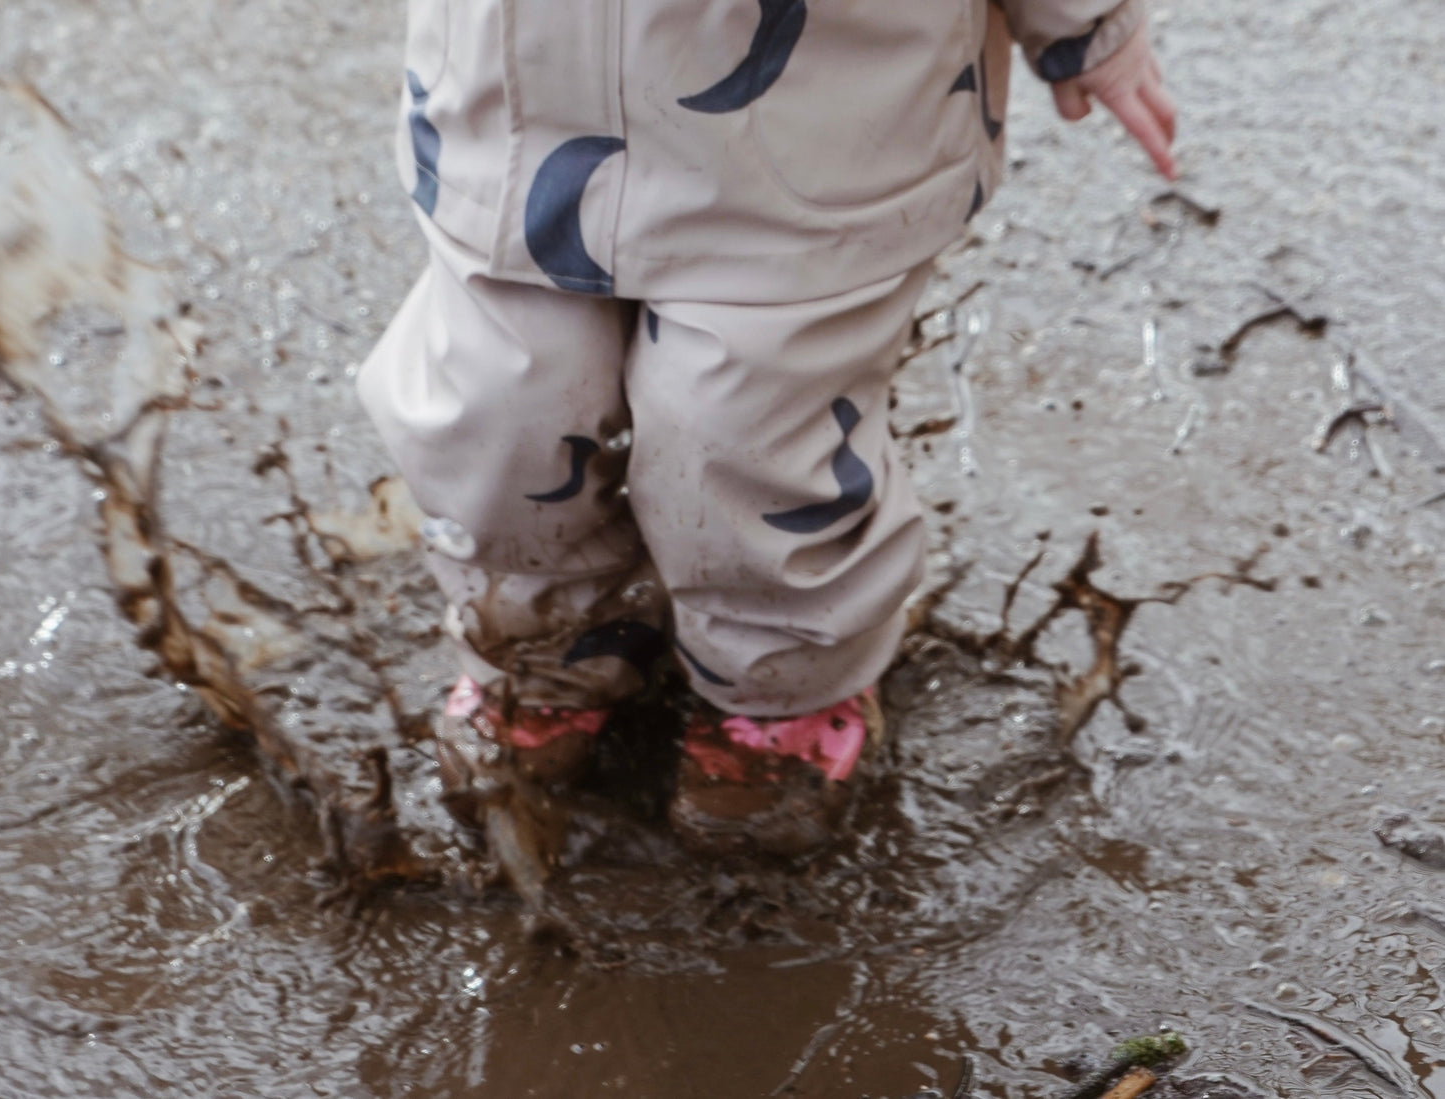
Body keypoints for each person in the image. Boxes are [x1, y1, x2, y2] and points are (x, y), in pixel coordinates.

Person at [357, 0, 1176, 856]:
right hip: (512, 120)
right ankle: (544, 641)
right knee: (499, 409)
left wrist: (1087, 22)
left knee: (746, 436)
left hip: (808, 131)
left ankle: (782, 675)